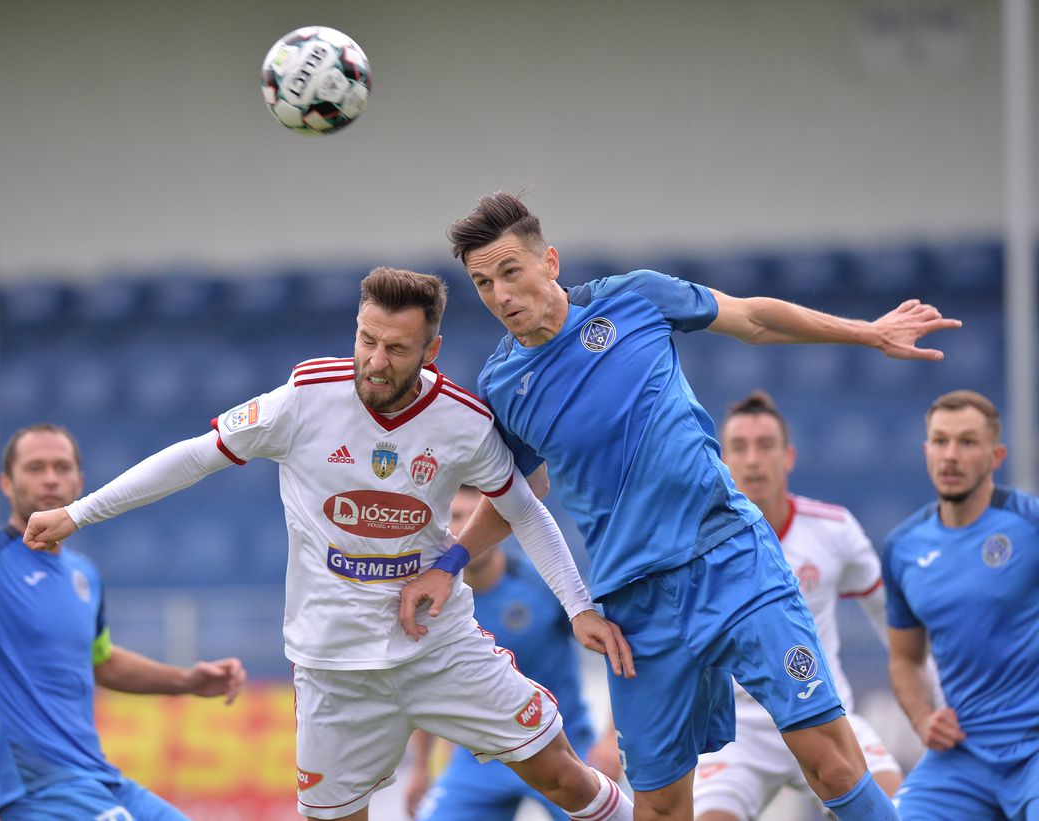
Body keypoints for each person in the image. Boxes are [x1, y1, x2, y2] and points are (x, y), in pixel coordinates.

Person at [399, 192, 961, 821]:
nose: (500, 294)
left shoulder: (632, 298)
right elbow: (515, 498)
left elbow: (751, 318)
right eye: (482, 283)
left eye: (510, 272)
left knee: (829, 760)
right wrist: (449, 561)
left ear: (549, 262)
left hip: (729, 559)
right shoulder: (504, 387)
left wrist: (868, 333)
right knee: (661, 807)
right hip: (636, 609)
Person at [23, 268, 637, 821]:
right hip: (332, 669)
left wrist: (578, 604)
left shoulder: (462, 422)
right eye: (366, 340)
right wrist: (80, 512)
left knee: (562, 777)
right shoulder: (304, 399)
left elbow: (525, 510)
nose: (375, 360)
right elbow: (193, 458)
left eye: (396, 349)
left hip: (437, 650)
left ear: (432, 350)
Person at [0, 423, 246, 820]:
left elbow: (100, 661)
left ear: (80, 481)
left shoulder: (84, 574)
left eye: (61, 467)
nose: (50, 478)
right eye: (35, 468)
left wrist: (187, 681)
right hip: (40, 791)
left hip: (101, 780)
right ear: (6, 483)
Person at [694, 390, 915, 820]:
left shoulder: (834, 529)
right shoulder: (696, 545)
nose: (753, 458)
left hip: (827, 713)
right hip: (739, 733)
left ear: (788, 457)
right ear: (721, 459)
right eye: (739, 447)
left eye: (766, 445)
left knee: (901, 808)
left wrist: (927, 706)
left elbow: (894, 622)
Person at [406, 484, 622, 821]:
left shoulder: (545, 584)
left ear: (491, 524)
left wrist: (611, 740)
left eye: (469, 517)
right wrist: (421, 769)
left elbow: (615, 652)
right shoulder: (435, 605)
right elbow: (427, 683)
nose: (460, 531)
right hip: (480, 759)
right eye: (450, 521)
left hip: (566, 745)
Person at [884, 390, 1039, 820]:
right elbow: (904, 659)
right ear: (926, 450)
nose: (950, 455)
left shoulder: (1030, 523)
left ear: (997, 455)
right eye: (940, 441)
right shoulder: (902, 548)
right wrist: (922, 718)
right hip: (963, 753)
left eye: (967, 442)